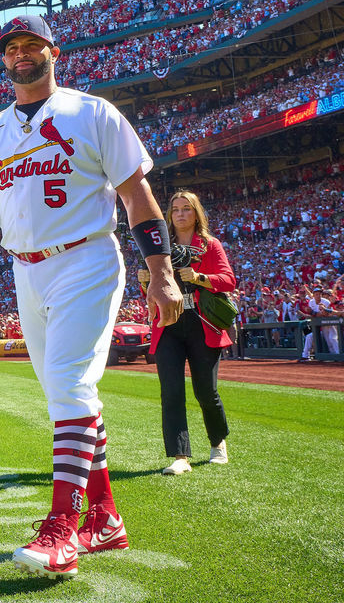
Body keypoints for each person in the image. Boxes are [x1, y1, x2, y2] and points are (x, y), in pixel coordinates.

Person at [0, 15, 183, 580]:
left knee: (69, 384)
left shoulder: (92, 112)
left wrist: (162, 272)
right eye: (12, 47)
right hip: (27, 270)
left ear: (53, 51)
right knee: (66, 393)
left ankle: (62, 526)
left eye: (31, 45)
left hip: (86, 256)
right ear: (4, 59)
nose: (21, 54)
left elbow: (136, 194)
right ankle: (106, 518)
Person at [144, 191, 235, 475]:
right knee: (171, 392)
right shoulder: (160, 249)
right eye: (175, 210)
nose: (180, 214)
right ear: (169, 216)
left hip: (201, 323)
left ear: (196, 213)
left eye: (186, 209)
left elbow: (228, 280)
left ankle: (218, 443)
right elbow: (154, 289)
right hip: (168, 323)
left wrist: (200, 278)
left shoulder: (210, 244)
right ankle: (180, 456)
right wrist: (146, 280)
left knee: (206, 391)